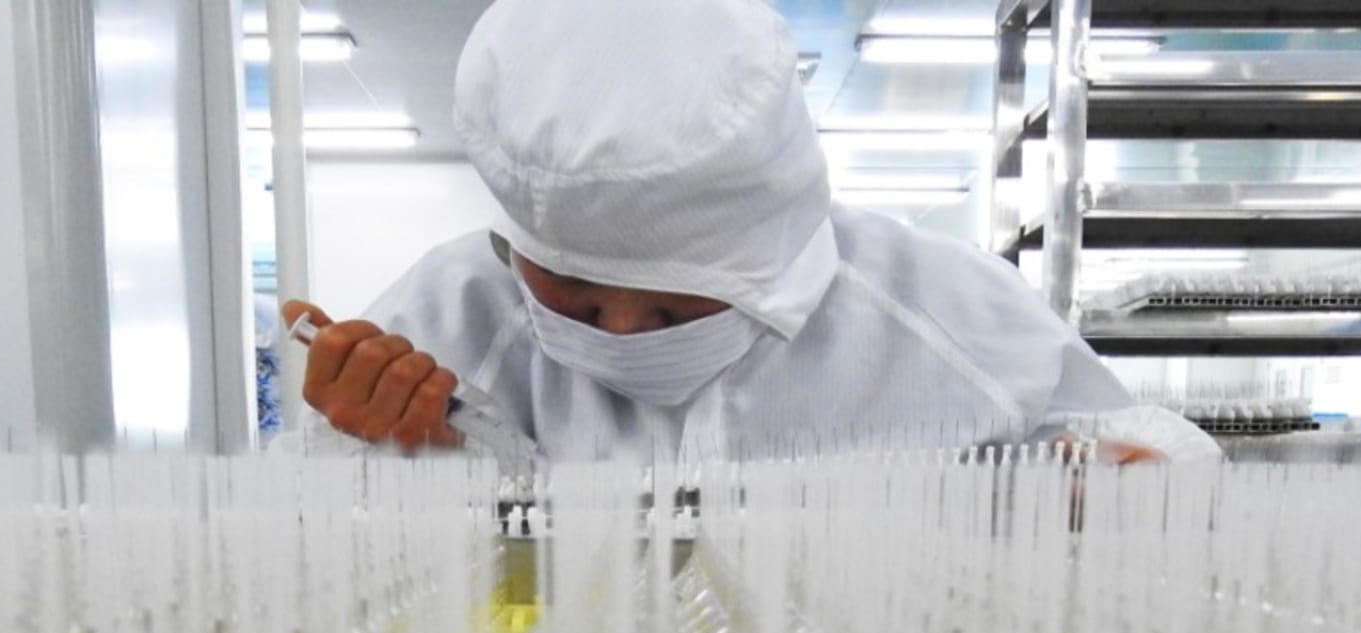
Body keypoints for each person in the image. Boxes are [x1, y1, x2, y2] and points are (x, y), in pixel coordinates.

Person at [273, 0, 1220, 466]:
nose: (624, 335)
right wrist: (357, 445)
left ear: (777, 249)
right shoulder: (445, 319)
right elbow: (305, 558)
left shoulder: (949, 320)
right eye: (577, 295)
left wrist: (1138, 483)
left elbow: (1148, 459)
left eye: (678, 306)